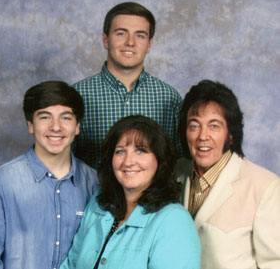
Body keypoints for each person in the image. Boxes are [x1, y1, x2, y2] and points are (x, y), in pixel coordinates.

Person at [0, 81, 98, 269]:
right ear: (30, 125)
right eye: (45, 117)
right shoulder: (3, 182)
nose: (56, 127)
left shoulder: (94, 184)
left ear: (77, 127)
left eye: (66, 118)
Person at [60, 115, 200, 269]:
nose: (128, 162)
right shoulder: (98, 203)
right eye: (120, 152)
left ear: (159, 159)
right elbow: (71, 264)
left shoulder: (174, 220)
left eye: (140, 151)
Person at [176, 79, 280, 269]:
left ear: (231, 134)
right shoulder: (173, 174)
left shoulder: (265, 186)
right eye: (194, 125)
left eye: (214, 126)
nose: (202, 136)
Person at [73, 2, 183, 168]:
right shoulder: (77, 96)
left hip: (155, 194)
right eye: (121, 33)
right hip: (93, 193)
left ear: (149, 44)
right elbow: (63, 163)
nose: (130, 42)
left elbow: (181, 162)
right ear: (105, 40)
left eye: (140, 35)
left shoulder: (169, 98)